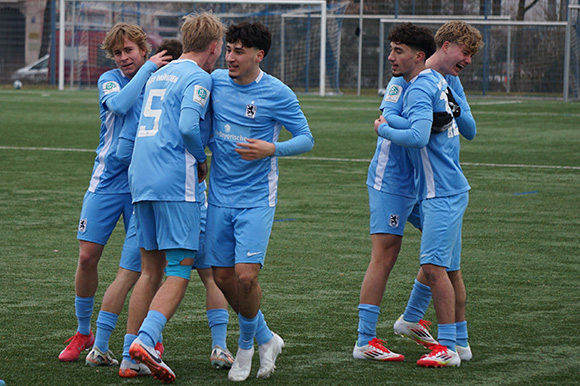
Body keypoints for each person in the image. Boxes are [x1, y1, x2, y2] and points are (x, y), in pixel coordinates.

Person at [115, 37, 233, 378]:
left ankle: (128, 357)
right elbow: (187, 126)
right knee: (182, 270)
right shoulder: (198, 76)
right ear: (213, 46)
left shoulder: (156, 74)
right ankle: (147, 341)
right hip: (175, 182)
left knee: (149, 272)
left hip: (141, 178)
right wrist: (200, 158)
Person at [205, 21, 314, 381]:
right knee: (222, 278)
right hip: (218, 197)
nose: (231, 57)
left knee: (245, 277)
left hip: (256, 199)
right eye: (229, 49)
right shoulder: (216, 81)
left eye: (239, 51)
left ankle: (247, 346)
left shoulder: (278, 94)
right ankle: (268, 338)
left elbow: (306, 138)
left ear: (258, 55)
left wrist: (273, 148)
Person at [58, 22, 171, 363]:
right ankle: (83, 332)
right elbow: (120, 105)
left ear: (143, 49)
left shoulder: (160, 80)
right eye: (118, 53)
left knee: (143, 268)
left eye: (129, 51)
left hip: (144, 184)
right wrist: (148, 68)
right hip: (106, 182)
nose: (123, 58)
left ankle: (149, 338)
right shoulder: (109, 79)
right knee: (87, 257)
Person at [374, 22, 475, 368]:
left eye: (397, 51)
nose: (391, 58)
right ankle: (456, 342)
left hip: (440, 191)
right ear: (443, 47)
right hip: (437, 188)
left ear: (417, 55)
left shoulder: (426, 85)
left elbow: (417, 135)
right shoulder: (426, 81)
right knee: (447, 269)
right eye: (466, 52)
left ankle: (446, 346)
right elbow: (420, 124)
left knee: (434, 268)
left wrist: (383, 127)